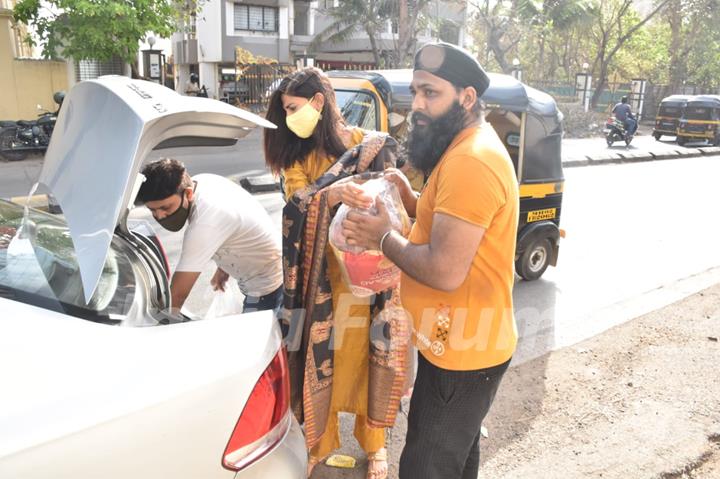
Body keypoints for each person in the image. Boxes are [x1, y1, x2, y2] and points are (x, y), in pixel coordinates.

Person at [341, 42, 520, 479]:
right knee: (457, 458)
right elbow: (454, 225)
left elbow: (444, 268)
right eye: (416, 91)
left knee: (427, 466)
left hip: (463, 355)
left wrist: (382, 236)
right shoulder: (464, 147)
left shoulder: (471, 161)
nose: (417, 105)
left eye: (431, 93)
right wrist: (410, 197)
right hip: (459, 346)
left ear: (467, 97)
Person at [264, 67, 410, 479]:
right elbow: (296, 205)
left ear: (318, 103)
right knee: (319, 359)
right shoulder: (299, 157)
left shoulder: (372, 146)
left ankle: (375, 446)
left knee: (371, 358)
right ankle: (320, 444)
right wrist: (333, 194)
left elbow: (397, 201)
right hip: (322, 285)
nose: (290, 118)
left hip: (370, 282)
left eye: (293, 108)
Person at [136, 158, 283, 315]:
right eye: (152, 210)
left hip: (268, 285)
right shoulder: (201, 180)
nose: (160, 215)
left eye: (165, 207)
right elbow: (234, 225)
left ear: (188, 193)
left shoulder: (205, 222)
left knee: (260, 337)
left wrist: (157, 324)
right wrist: (224, 268)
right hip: (273, 269)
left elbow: (177, 295)